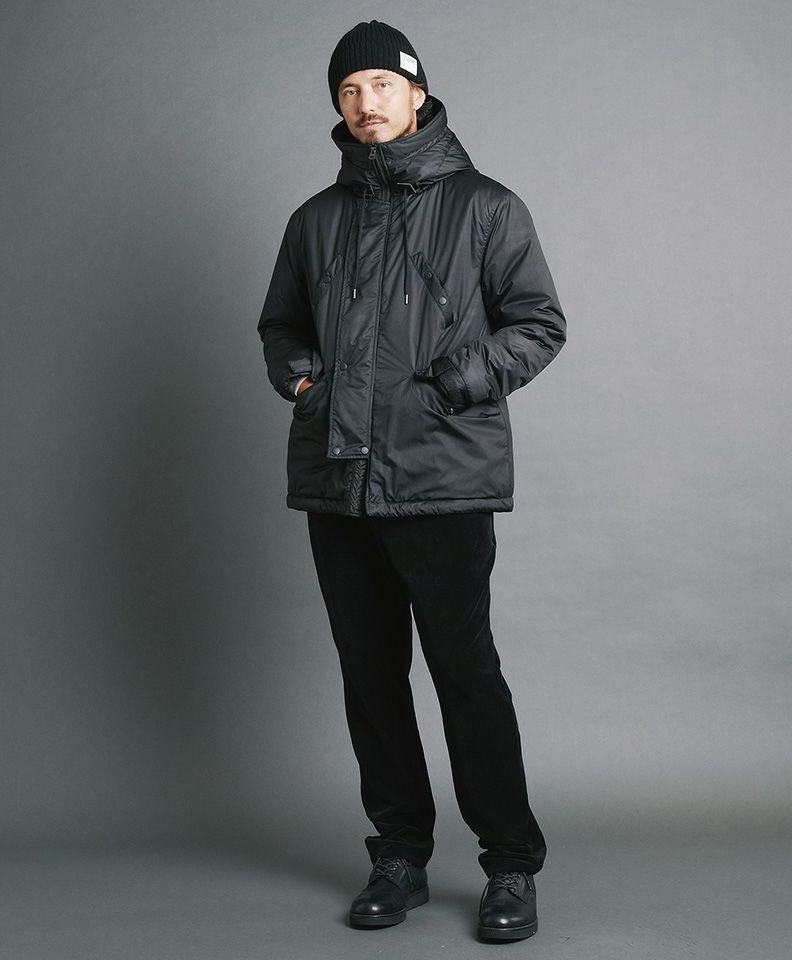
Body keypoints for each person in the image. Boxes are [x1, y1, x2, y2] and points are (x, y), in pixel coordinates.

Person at [257, 20, 566, 943]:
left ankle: (510, 863)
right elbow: (280, 326)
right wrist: (304, 382)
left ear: (418, 93)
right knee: (369, 675)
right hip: (339, 481)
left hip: (442, 478)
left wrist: (450, 386)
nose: (366, 103)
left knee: (464, 671)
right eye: (349, 90)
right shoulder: (315, 219)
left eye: (382, 85)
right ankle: (399, 855)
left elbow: (538, 323)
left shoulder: (487, 207)